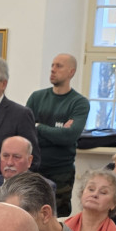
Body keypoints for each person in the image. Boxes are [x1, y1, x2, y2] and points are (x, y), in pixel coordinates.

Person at [25, 53, 90, 216]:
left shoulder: (78, 102)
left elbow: (69, 136)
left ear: (71, 72)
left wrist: (39, 126)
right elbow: (26, 132)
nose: (53, 70)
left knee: (57, 218)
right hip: (33, 169)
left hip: (61, 172)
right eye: (52, 65)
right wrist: (57, 133)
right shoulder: (37, 97)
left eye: (59, 66)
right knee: (29, 214)